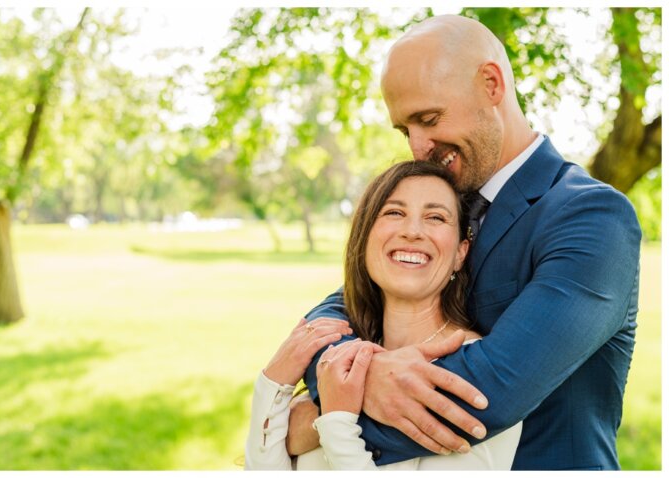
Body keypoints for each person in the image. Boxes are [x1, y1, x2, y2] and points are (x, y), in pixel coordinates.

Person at [286, 15, 640, 470]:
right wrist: (360, 375)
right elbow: (341, 306)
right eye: (404, 130)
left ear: (491, 84)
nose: (417, 147)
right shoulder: (442, 208)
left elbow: (486, 393)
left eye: (428, 119)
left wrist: (324, 419)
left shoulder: (591, 217)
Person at [246, 161, 522, 470]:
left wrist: (338, 424)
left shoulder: (476, 377)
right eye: (394, 212)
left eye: (435, 217)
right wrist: (273, 384)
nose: (413, 231)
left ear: (460, 252)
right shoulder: (339, 359)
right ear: (364, 238)